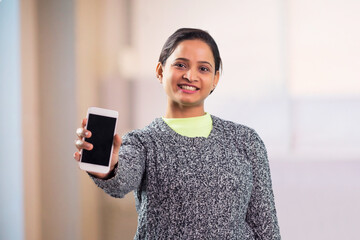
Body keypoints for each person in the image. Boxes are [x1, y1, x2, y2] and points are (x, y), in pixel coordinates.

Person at [74, 28, 281, 239]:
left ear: (215, 78)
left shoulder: (245, 140)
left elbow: (266, 229)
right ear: (160, 71)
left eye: (203, 69)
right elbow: (122, 181)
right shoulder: (142, 143)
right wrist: (109, 168)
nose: (190, 76)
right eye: (180, 65)